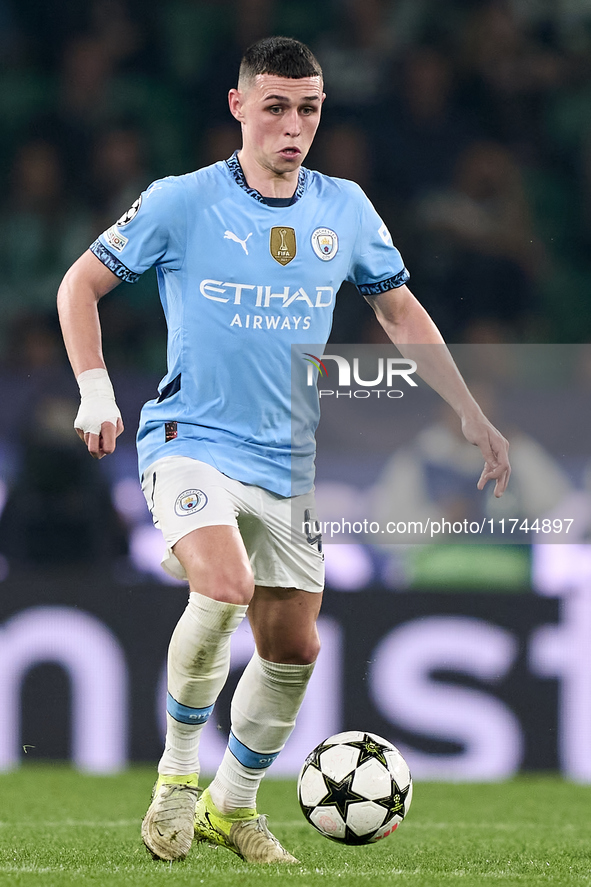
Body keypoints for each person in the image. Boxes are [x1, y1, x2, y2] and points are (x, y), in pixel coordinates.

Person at [57, 36, 510, 866]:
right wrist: (93, 387)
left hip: (287, 464)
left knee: (294, 647)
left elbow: (400, 314)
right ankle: (176, 784)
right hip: (188, 437)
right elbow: (79, 284)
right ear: (238, 109)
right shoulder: (180, 201)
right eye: (275, 107)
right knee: (222, 586)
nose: (292, 126)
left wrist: (469, 411)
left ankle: (233, 805)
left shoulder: (343, 207)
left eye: (307, 108)